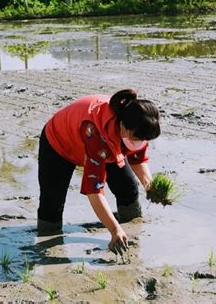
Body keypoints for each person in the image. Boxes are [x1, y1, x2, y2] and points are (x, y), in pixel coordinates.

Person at [37, 89, 160, 255]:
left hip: (106, 144)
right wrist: (114, 230)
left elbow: (137, 159)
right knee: (52, 204)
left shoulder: (140, 125)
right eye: (137, 139)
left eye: (143, 140)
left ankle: (132, 232)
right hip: (60, 144)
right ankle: (46, 246)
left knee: (128, 189)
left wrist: (150, 185)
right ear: (123, 127)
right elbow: (94, 190)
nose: (140, 143)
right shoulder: (96, 132)